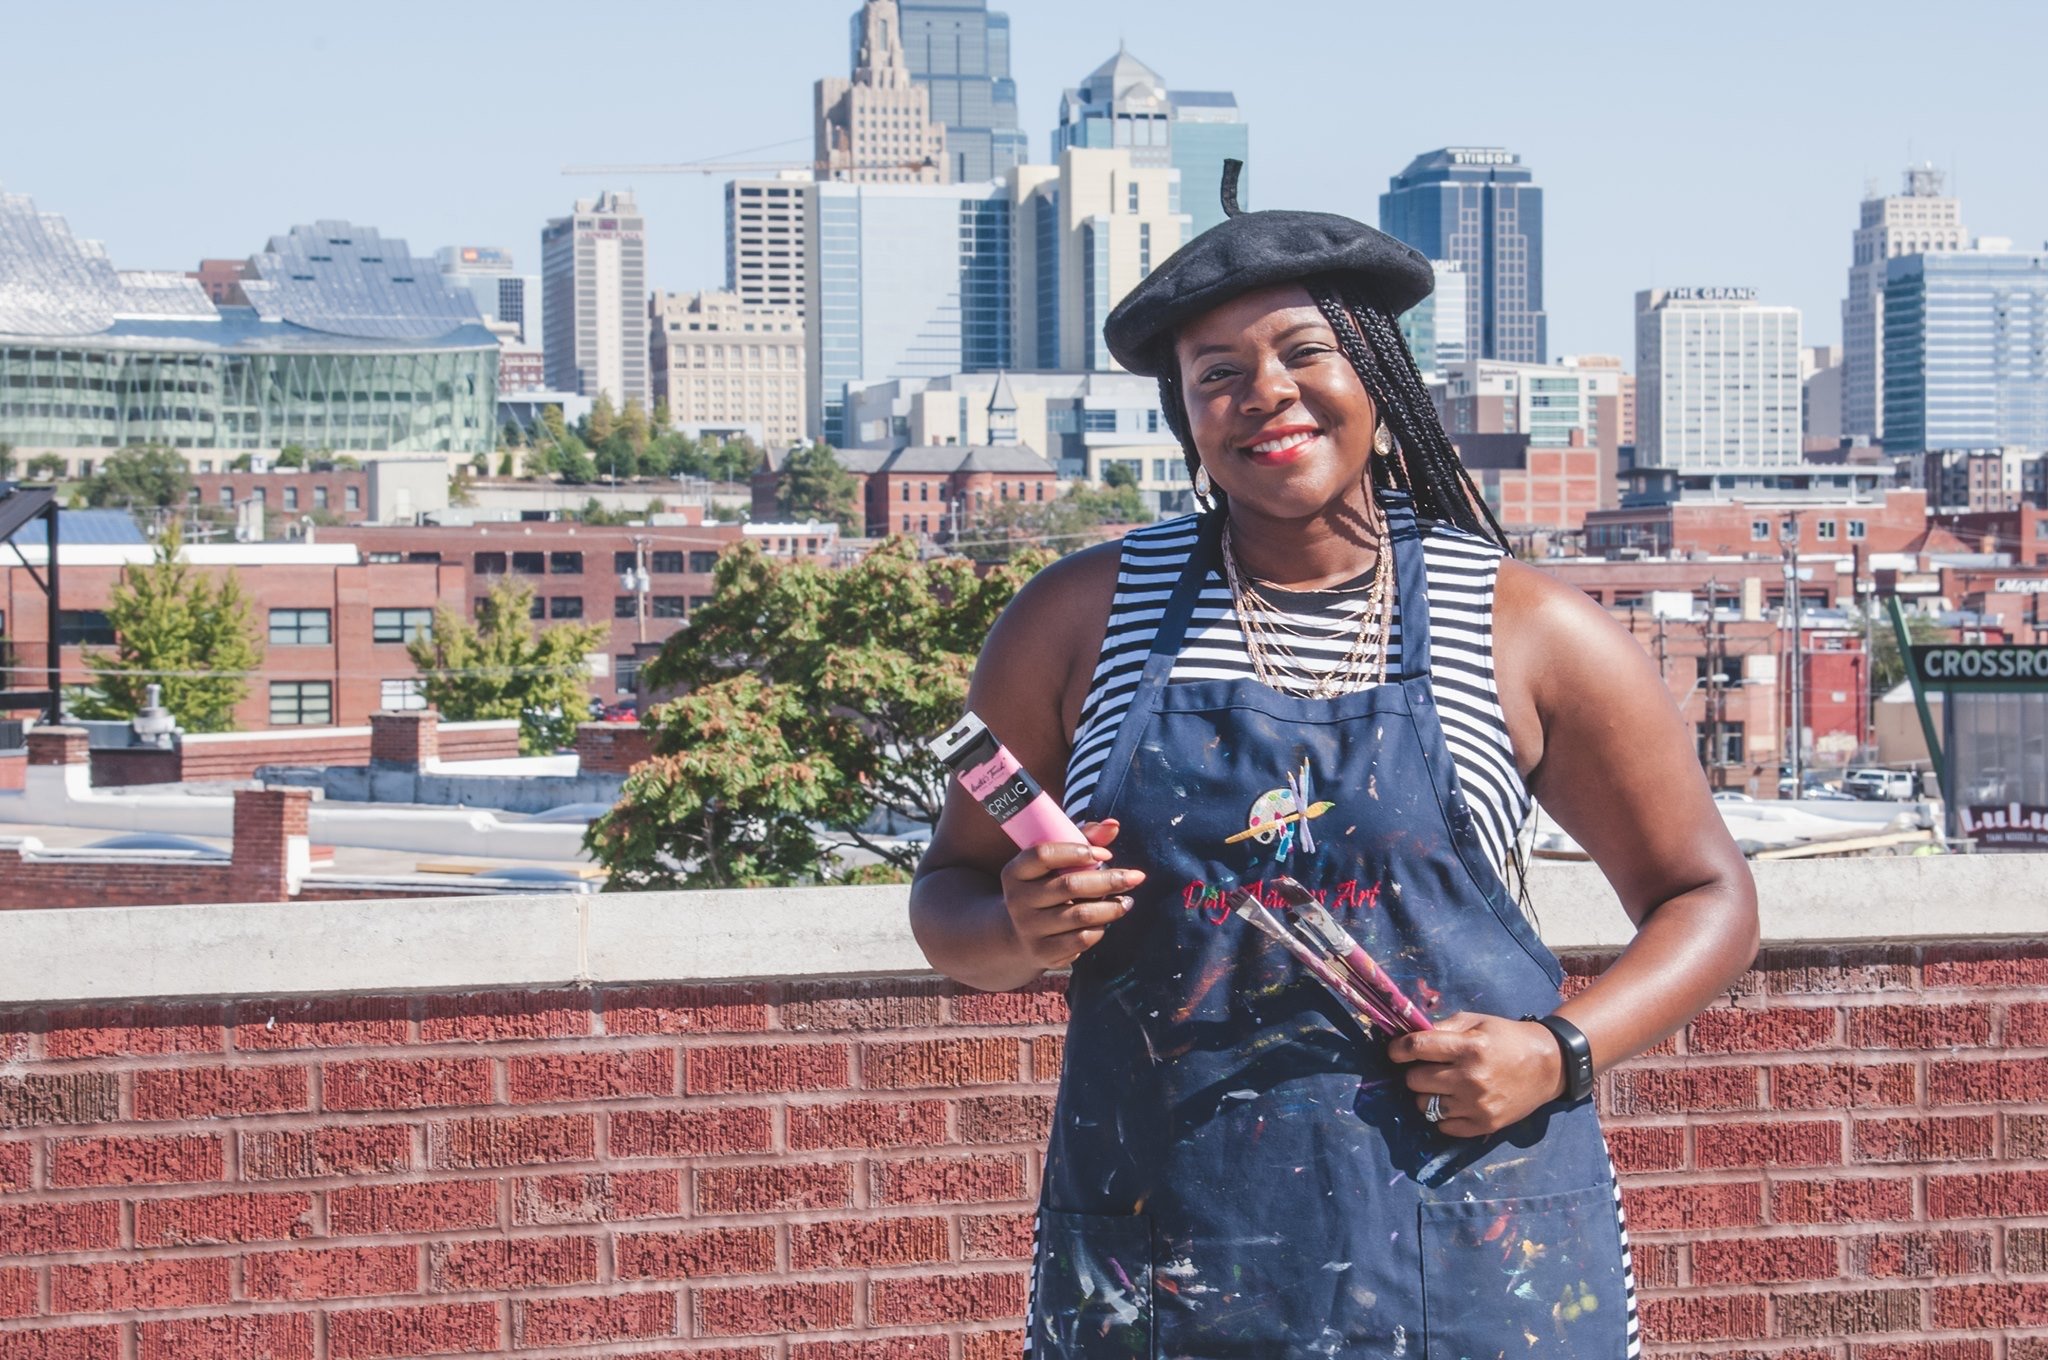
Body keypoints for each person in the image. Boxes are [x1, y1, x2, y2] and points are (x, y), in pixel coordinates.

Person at [909, 166, 1758, 1359]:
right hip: (1163, 1257)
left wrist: (1554, 1051)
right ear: (1184, 416)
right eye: (1215, 375)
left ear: (1374, 368)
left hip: (1472, 1247)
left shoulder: (1521, 626)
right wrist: (1018, 926)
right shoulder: (1079, 618)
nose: (1265, 395)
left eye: (1303, 352)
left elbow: (1707, 897)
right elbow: (945, 897)